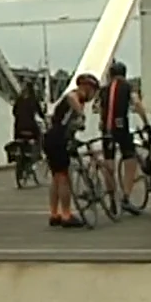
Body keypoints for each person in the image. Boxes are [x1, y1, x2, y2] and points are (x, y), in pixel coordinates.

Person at [44, 71, 99, 228]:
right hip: (57, 139)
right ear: (86, 88)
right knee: (64, 178)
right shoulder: (75, 97)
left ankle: (55, 214)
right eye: (93, 92)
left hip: (53, 138)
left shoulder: (78, 103)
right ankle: (66, 215)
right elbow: (70, 98)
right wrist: (81, 115)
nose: (93, 96)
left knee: (56, 177)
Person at [100, 60, 151, 214]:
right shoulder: (127, 87)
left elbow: (100, 110)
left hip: (106, 130)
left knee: (109, 165)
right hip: (121, 128)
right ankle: (125, 198)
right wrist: (146, 124)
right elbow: (137, 104)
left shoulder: (104, 90)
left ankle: (111, 200)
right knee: (130, 160)